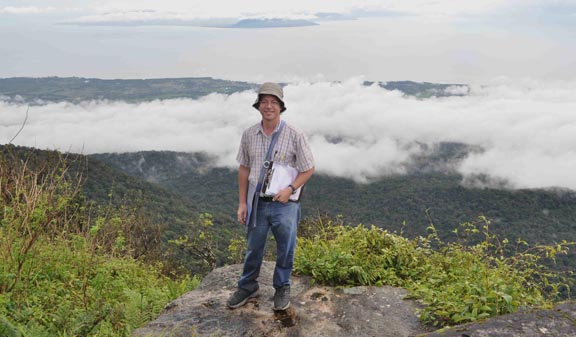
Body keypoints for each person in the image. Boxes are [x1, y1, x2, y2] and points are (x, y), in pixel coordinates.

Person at [227, 82, 315, 311]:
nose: (268, 106)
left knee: (286, 246)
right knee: (254, 247)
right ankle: (247, 286)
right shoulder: (249, 135)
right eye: (264, 102)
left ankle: (282, 287)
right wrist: (242, 203)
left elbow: (308, 169)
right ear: (258, 106)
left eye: (273, 102)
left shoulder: (295, 134)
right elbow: (244, 169)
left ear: (281, 107)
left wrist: (290, 189)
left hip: (284, 203)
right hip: (257, 201)